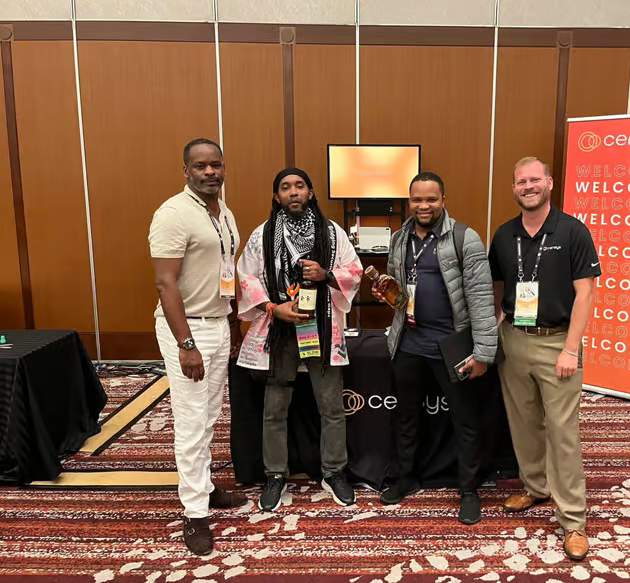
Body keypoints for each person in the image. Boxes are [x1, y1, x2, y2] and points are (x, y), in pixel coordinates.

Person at [489, 157, 600, 561]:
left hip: (557, 344)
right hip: (514, 339)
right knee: (524, 423)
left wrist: (571, 348)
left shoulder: (572, 231)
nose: (528, 186)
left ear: (549, 183)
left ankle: (573, 519)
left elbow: (585, 293)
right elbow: (498, 286)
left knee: (562, 431)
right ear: (513, 188)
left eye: (535, 179)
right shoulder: (504, 235)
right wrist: (495, 330)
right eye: (521, 181)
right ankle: (536, 487)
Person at [372, 172, 497, 525]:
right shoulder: (399, 238)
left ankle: (469, 490)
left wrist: (483, 353)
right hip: (409, 343)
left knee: (465, 421)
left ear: (443, 200)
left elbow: (481, 299)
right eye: (417, 199)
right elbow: (399, 290)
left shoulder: (464, 237)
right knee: (406, 418)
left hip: (452, 346)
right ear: (409, 201)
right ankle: (405, 478)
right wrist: (388, 294)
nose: (423, 206)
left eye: (431, 199)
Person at [236, 167, 362, 512]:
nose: (293, 192)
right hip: (280, 329)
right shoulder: (263, 234)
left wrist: (326, 274)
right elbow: (246, 276)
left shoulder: (332, 232)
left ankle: (334, 471)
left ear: (310, 193)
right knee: (275, 407)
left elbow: (355, 271)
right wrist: (272, 308)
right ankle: (275, 474)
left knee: (331, 406)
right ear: (276, 196)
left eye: (299, 186)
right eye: (285, 187)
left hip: (321, 327)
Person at [149, 138, 247, 556]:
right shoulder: (173, 213)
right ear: (185, 170)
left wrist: (233, 323)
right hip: (187, 330)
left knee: (209, 416)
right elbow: (164, 283)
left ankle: (203, 487)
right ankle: (194, 512)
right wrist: (185, 343)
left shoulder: (223, 212)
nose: (210, 172)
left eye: (216, 165)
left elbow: (226, 271)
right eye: (201, 166)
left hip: (218, 324)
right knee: (190, 421)